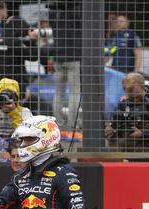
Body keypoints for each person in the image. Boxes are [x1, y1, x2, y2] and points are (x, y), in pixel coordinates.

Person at [50, 1, 82, 131]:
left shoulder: (53, 12)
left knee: (59, 92)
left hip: (58, 56)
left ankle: (59, 124)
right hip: (74, 56)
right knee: (75, 92)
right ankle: (72, 126)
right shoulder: (77, 11)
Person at [104, 72, 149, 152]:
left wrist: (143, 134)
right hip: (131, 139)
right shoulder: (123, 102)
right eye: (132, 97)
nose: (135, 100)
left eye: (138, 96)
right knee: (113, 146)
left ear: (143, 87)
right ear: (125, 92)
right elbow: (115, 122)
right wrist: (111, 129)